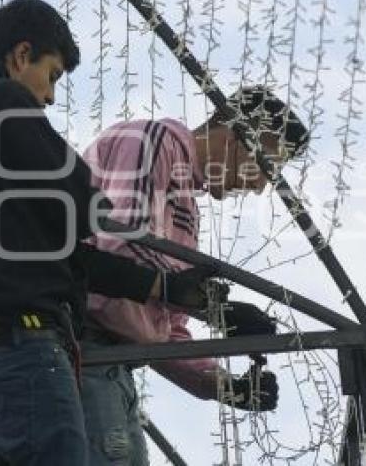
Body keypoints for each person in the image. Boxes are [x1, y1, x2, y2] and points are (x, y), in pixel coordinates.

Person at [0, 0, 216, 465]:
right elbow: (80, 203)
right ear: (20, 55)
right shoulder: (1, 100)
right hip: (25, 346)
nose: (49, 97)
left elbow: (56, 254)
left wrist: (162, 286)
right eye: (51, 75)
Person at [79, 85, 311, 465]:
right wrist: (213, 307)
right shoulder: (158, 140)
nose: (260, 185)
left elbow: (166, 326)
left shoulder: (187, 208)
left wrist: (222, 385)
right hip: (83, 345)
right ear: (237, 135)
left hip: (110, 362)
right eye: (267, 163)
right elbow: (121, 247)